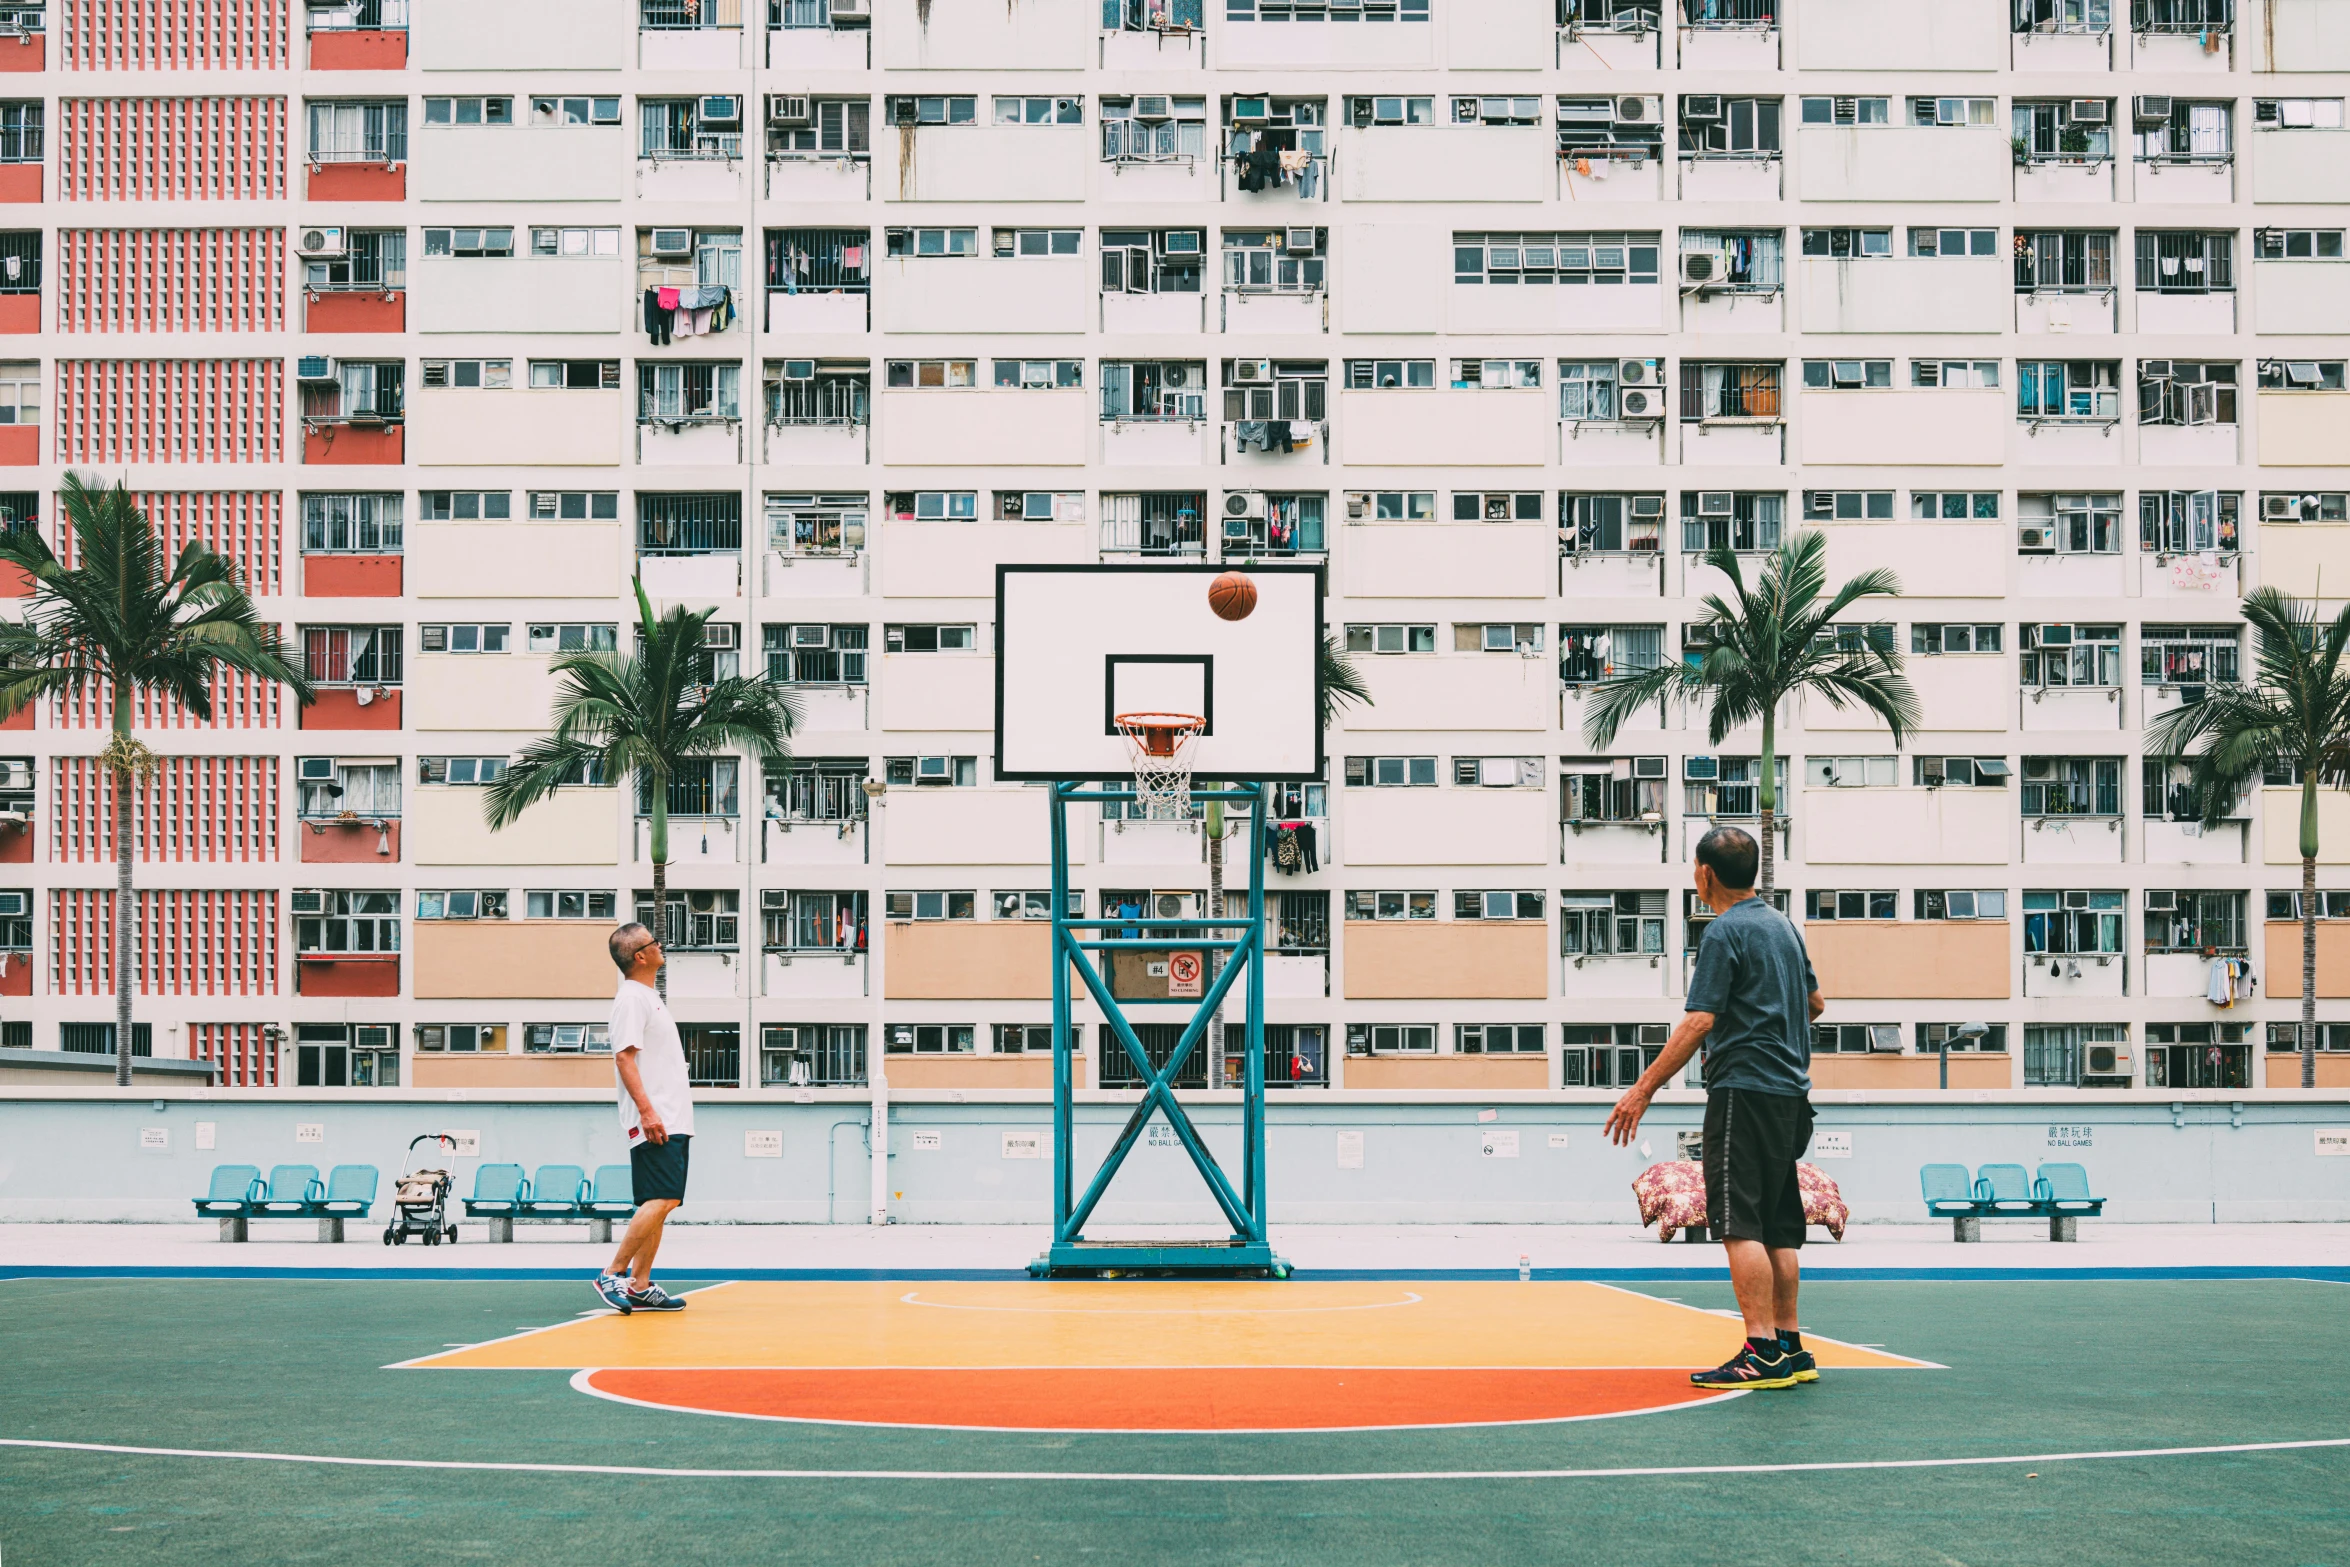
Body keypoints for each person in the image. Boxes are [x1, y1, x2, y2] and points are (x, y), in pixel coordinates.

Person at [1604, 826, 1826, 1391]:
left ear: (1704, 874)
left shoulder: (1724, 933)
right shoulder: (1783, 927)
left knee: (1736, 1223)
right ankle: (1791, 1347)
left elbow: (1700, 1019)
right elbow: (1816, 1003)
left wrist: (1642, 1089)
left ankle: (1760, 1352)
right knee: (1778, 1226)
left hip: (1744, 1093)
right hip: (1790, 1097)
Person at [593, 922, 694, 1315]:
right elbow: (623, 1057)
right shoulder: (631, 999)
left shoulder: (647, 997)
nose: (660, 945)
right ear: (640, 956)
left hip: (672, 1117)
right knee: (662, 1198)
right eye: (654, 942)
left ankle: (640, 1284)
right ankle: (613, 1273)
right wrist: (648, 1112)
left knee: (664, 1201)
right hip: (657, 1118)